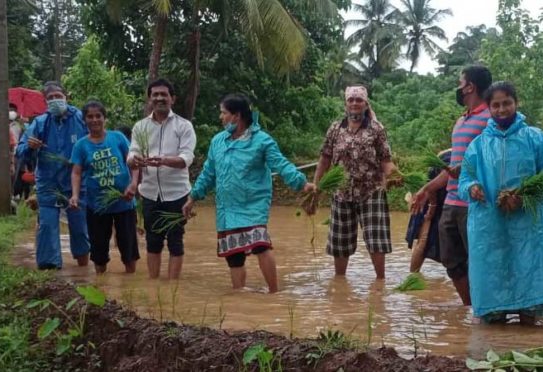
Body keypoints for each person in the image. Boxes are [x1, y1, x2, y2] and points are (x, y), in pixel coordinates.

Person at [183, 94, 315, 293]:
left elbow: (280, 163)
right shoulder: (218, 141)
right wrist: (193, 197)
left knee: (260, 244)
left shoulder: (261, 141)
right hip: (227, 207)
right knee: (234, 256)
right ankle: (239, 295)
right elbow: (208, 174)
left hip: (253, 204)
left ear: (236, 116)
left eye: (223, 113)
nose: (221, 117)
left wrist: (302, 183)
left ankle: (274, 293)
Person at [458, 81, 543, 324]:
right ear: (488, 108)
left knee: (529, 275)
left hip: (528, 222)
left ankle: (527, 337)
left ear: (516, 103)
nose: (502, 109)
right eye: (496, 105)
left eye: (507, 103)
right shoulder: (478, 145)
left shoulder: (535, 138)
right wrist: (472, 188)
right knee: (492, 281)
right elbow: (465, 178)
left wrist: (524, 197)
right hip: (489, 224)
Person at [411, 65, 492, 305]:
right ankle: (471, 307)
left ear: (470, 86)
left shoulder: (490, 119)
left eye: (460, 82)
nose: (458, 87)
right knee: (451, 260)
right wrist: (428, 189)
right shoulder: (461, 121)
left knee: (479, 261)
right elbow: (453, 168)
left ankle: (486, 309)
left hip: (475, 203)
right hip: (451, 201)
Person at [311, 86, 396, 279]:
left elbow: (385, 160)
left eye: (359, 100)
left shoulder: (376, 128)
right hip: (342, 193)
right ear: (346, 104)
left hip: (371, 192)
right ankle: (340, 282)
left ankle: (380, 280)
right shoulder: (335, 128)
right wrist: (316, 187)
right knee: (340, 243)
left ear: (366, 104)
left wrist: (395, 176)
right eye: (351, 100)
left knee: (376, 240)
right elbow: (324, 159)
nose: (355, 103)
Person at [16, 81, 90, 270]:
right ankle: (50, 271)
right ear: (45, 101)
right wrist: (30, 147)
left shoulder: (81, 119)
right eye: (50, 98)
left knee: (80, 226)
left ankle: (84, 268)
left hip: (76, 183)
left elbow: (95, 142)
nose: (55, 100)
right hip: (48, 183)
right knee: (48, 226)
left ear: (66, 97)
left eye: (58, 96)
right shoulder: (40, 123)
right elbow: (20, 150)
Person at [127, 78, 196, 279]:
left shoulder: (184, 126)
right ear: (149, 99)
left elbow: (186, 158)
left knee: (176, 240)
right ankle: (154, 284)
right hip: (149, 193)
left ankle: (171, 287)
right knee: (153, 240)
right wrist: (134, 160)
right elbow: (131, 154)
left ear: (172, 99)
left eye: (163, 94)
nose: (159, 98)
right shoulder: (140, 127)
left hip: (177, 194)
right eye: (155, 95)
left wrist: (164, 160)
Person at [70, 101, 140, 274]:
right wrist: (75, 195)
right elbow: (76, 173)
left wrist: (133, 184)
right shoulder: (81, 145)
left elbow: (133, 164)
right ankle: (101, 287)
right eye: (90, 117)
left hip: (124, 202)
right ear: (84, 120)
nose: (94, 120)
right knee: (99, 252)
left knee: (128, 250)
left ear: (104, 118)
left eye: (98, 116)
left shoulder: (118, 138)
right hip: (97, 206)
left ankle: (130, 284)